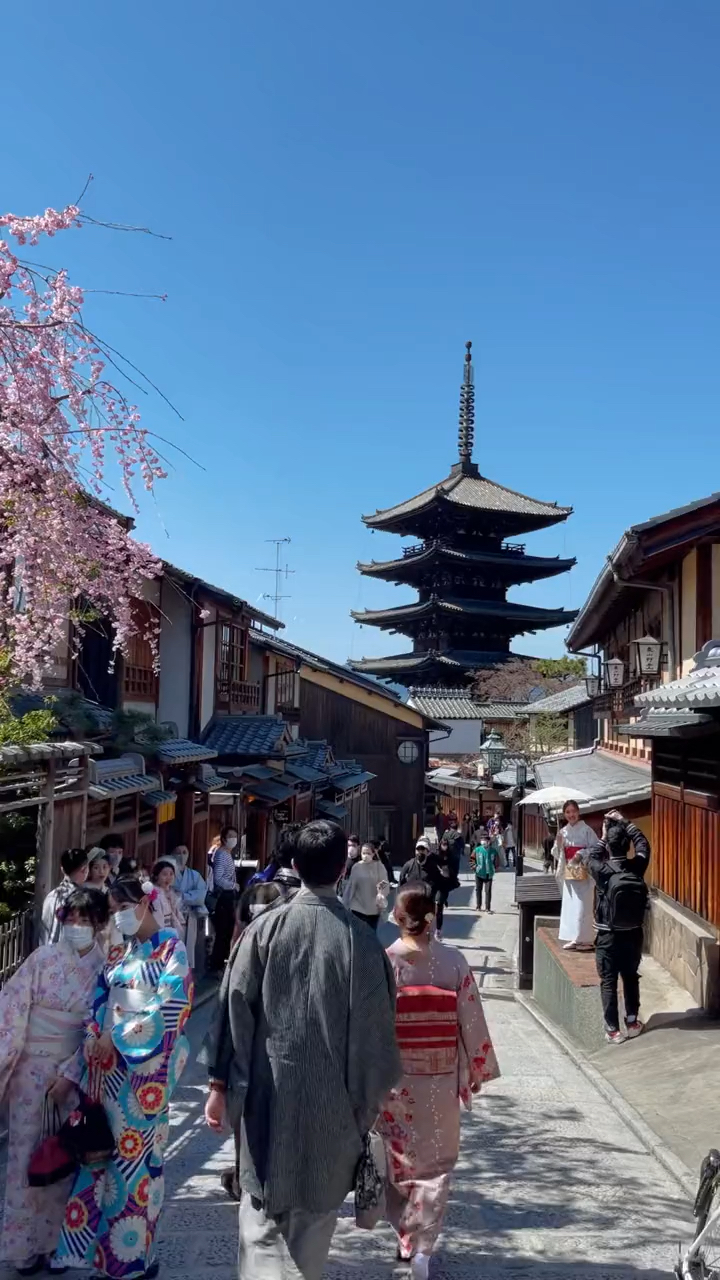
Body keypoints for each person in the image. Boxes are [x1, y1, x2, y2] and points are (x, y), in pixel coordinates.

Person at [224, 819, 401, 1280]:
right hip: (332, 1112)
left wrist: (223, 1088)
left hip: (265, 1102)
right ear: (343, 868)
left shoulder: (263, 931)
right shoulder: (362, 944)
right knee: (312, 1232)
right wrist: (364, 1114)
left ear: (295, 865)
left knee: (259, 1221)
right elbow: (375, 1043)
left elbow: (233, 1016)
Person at [53, 875, 193, 1279]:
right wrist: (97, 1035)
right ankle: (96, 1256)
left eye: (122, 908)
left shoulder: (172, 949)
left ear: (145, 904)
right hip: (108, 1074)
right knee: (99, 1162)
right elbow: (100, 998)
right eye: (113, 911)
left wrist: (115, 1038)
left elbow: (173, 1006)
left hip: (142, 1079)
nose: (118, 917)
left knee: (133, 1164)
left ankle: (131, 1259)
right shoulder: (118, 954)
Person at [379, 886, 500, 1279]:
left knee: (401, 1162)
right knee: (437, 1166)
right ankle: (422, 1248)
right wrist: (475, 1069)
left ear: (397, 919)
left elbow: (373, 1029)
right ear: (433, 917)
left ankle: (407, 1237)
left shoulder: (387, 964)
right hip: (442, 1078)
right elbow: (471, 1020)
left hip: (397, 1082)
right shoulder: (454, 962)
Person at [0, 887, 109, 1275]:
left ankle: (56, 1245)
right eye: (71, 919)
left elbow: (98, 1027)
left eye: (86, 920)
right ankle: (19, 1248)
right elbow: (12, 1009)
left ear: (99, 923)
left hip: (72, 1071)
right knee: (24, 1157)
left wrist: (70, 1074)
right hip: (30, 1069)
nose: (77, 926)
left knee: (64, 1158)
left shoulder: (104, 967)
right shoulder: (43, 958)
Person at [204, 879, 286, 1202]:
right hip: (277, 1064)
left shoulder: (240, 952)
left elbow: (222, 1024)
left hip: (245, 1068)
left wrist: (217, 1084)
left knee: (249, 1136)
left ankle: (244, 1178)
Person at [586, 811, 651, 1044]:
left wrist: (603, 836)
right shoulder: (636, 866)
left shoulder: (602, 870)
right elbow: (644, 844)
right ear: (627, 846)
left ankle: (613, 1030)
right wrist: (626, 823)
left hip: (607, 935)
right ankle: (632, 1021)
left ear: (609, 847)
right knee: (631, 977)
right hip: (633, 933)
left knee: (608, 981)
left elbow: (591, 855)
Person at [554, 800, 598, 951]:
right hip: (569, 869)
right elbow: (556, 853)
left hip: (583, 869)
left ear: (578, 812)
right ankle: (574, 937)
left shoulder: (587, 830)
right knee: (570, 904)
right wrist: (559, 844)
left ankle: (586, 939)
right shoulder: (563, 831)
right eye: (568, 812)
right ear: (564, 814)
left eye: (573, 811)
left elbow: (596, 848)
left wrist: (580, 853)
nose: (571, 815)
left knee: (583, 905)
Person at [40, 848, 89, 945]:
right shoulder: (80, 899)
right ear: (84, 869)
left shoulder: (51, 896)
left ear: (62, 869)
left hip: (46, 952)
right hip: (68, 954)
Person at [209, 826, 239, 973]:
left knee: (227, 930)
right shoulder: (221, 855)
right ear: (224, 839)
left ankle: (220, 962)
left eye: (235, 836)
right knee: (223, 930)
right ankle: (217, 963)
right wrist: (233, 885)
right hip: (223, 896)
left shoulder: (227, 854)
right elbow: (218, 878)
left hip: (228, 895)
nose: (234, 839)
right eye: (231, 836)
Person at [171, 845, 208, 967]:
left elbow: (200, 896)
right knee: (173, 950)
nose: (181, 855)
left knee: (189, 950)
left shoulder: (194, 875)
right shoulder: (168, 874)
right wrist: (187, 896)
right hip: (173, 918)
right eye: (178, 852)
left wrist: (181, 896)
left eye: (184, 852)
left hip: (190, 917)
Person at [342, 842, 389, 931]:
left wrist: (380, 891)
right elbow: (351, 885)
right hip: (357, 907)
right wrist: (346, 902)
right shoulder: (356, 866)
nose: (365, 856)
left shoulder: (379, 866)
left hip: (373, 908)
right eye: (363, 853)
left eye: (368, 853)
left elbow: (385, 882)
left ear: (373, 854)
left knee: (370, 935)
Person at [149, 857, 185, 934]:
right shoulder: (155, 895)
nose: (169, 878)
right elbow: (158, 921)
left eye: (171, 874)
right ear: (156, 876)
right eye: (164, 874)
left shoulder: (172, 894)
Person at [435, 837, 461, 939]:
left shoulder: (452, 856)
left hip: (445, 883)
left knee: (439, 907)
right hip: (436, 883)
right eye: (443, 844)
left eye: (446, 844)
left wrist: (448, 872)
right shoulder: (436, 856)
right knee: (435, 906)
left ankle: (438, 930)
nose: (444, 846)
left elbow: (455, 869)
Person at [471, 834, 498, 912]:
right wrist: (475, 868)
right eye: (482, 840)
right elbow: (472, 860)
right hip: (479, 874)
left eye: (485, 840)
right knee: (478, 890)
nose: (483, 842)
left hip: (489, 874)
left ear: (489, 842)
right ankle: (478, 906)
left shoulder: (493, 851)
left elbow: (496, 861)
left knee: (488, 891)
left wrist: (494, 868)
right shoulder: (477, 850)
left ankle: (487, 908)